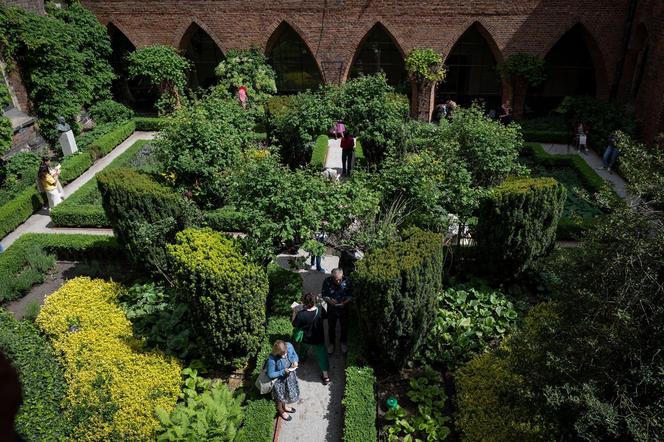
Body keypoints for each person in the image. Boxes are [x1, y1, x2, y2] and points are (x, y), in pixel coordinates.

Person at [293, 293, 331, 384]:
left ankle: (302, 358)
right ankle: (326, 377)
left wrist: (294, 311)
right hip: (318, 339)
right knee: (322, 356)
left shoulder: (301, 314)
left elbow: (294, 325)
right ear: (315, 302)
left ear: (304, 303)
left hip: (306, 339)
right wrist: (323, 303)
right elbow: (326, 316)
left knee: (303, 348)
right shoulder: (320, 311)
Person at [267, 340, 299, 421]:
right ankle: (281, 411)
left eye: (285, 352)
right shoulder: (272, 358)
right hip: (279, 382)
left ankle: (285, 407)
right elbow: (270, 374)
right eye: (281, 354)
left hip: (289, 377)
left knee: (285, 395)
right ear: (276, 352)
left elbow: (294, 355)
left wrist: (295, 361)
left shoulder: (289, 346)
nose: (284, 355)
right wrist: (282, 371)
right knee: (280, 398)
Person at [322, 268, 352, 354]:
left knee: (344, 327)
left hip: (344, 309)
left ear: (342, 276)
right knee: (331, 327)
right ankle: (331, 344)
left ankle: (343, 342)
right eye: (336, 280)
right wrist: (329, 300)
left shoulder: (348, 281)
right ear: (332, 277)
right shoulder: (327, 281)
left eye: (339, 279)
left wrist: (345, 302)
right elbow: (324, 295)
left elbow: (351, 295)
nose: (338, 282)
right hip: (332, 309)